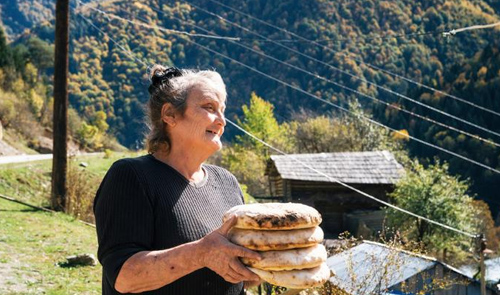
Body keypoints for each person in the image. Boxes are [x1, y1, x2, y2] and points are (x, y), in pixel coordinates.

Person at [94, 66, 262, 294]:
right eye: (209, 107)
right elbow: (124, 277)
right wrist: (202, 253)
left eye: (222, 110)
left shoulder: (227, 183)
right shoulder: (132, 176)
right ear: (170, 115)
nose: (222, 121)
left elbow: (234, 275)